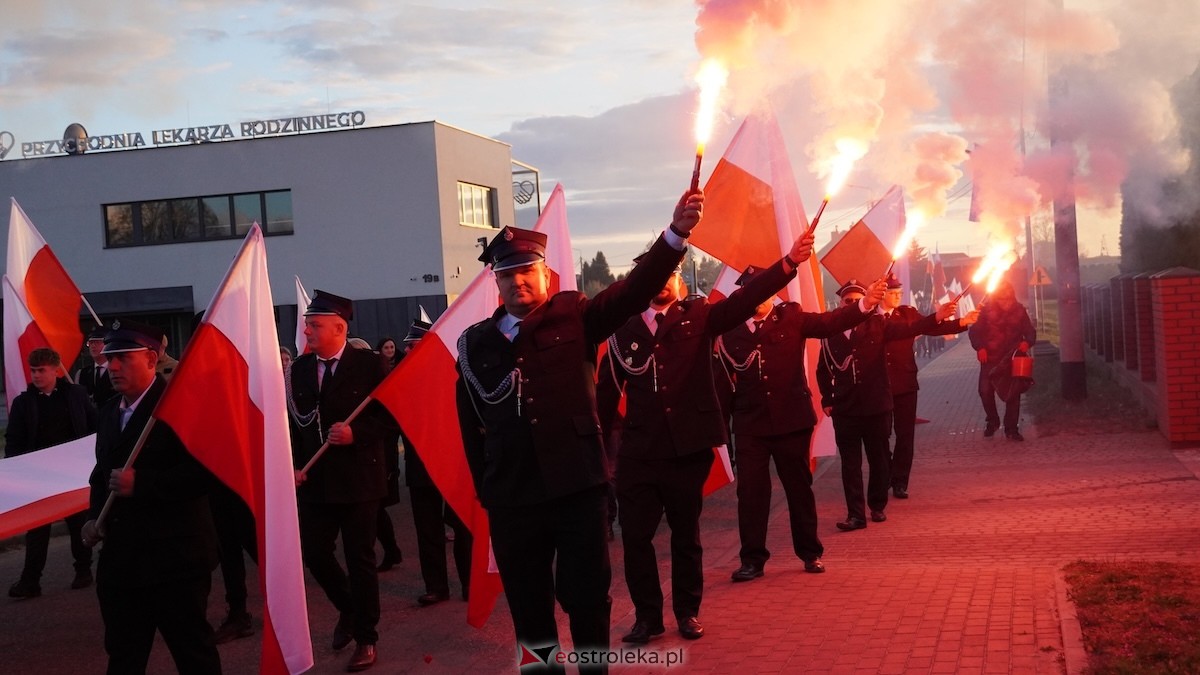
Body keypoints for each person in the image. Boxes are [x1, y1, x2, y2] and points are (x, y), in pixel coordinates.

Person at [456, 190, 702, 672]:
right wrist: (488, 489)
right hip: (513, 498)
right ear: (497, 282)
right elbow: (470, 426)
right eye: (507, 275)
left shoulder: (577, 315)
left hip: (577, 490)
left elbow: (633, 289)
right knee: (529, 613)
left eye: (527, 272)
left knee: (589, 602)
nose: (517, 281)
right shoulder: (476, 343)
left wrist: (675, 236)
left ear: (545, 275)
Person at [597, 229, 818, 644]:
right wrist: (602, 458)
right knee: (637, 539)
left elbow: (744, 301)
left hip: (686, 449)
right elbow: (606, 399)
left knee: (686, 536)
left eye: (668, 273)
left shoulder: (700, 316)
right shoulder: (621, 330)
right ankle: (647, 617)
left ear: (680, 279)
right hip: (639, 453)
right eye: (652, 273)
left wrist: (788, 263)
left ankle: (687, 611)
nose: (661, 281)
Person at [716, 265, 879, 583]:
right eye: (751, 291)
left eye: (763, 292)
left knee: (798, 489)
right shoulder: (730, 329)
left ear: (773, 294)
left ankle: (810, 552)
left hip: (791, 421)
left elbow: (830, 322)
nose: (757, 298)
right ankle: (752, 560)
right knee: (751, 494)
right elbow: (722, 383)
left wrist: (864, 305)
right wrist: (722, 428)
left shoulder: (790, 316)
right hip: (750, 424)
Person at [80, 319, 222, 675]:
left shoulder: (180, 406)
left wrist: (142, 484)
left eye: (123, 357)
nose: (112, 366)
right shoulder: (111, 411)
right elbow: (102, 474)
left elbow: (205, 475)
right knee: (124, 655)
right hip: (123, 560)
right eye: (110, 357)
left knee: (192, 652)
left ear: (150, 358)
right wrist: (93, 517)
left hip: (174, 558)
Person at [289, 290, 393, 672]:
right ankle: (348, 608)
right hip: (316, 479)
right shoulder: (299, 369)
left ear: (339, 327)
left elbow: (390, 418)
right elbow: (296, 424)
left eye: (314, 325)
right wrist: (296, 465)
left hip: (360, 480)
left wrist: (356, 434)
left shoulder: (368, 365)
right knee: (314, 552)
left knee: (359, 557)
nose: (307, 331)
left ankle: (366, 637)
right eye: (306, 324)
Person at [817, 281, 956, 531]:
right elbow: (823, 369)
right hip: (845, 408)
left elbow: (911, 327)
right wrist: (827, 400)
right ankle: (855, 514)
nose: (851, 305)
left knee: (879, 458)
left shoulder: (878, 325)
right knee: (850, 464)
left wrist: (936, 316)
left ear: (866, 302)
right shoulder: (830, 333)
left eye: (856, 300)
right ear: (840, 305)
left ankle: (877, 504)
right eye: (847, 301)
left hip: (876, 405)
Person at [6, 348, 98, 598]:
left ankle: (83, 570)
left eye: (41, 370)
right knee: (37, 530)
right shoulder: (24, 403)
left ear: (56, 370)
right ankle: (31, 580)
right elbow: (14, 439)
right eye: (33, 371)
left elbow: (94, 427)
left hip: (72, 474)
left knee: (78, 523)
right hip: (40, 477)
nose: (36, 375)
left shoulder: (76, 395)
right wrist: (16, 470)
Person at [881, 273, 977, 499]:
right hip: (880, 386)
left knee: (905, 435)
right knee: (880, 436)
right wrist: (936, 316)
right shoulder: (869, 317)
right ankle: (885, 475)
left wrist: (963, 322)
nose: (897, 296)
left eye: (899, 293)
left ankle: (900, 481)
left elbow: (931, 328)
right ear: (881, 293)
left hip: (904, 383)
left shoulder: (907, 313)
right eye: (892, 293)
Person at [401, 320, 471, 605]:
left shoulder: (453, 376)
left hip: (453, 464)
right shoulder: (402, 380)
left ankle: (469, 584)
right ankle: (436, 586)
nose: (407, 351)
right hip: (420, 466)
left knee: (463, 527)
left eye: (413, 346)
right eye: (406, 346)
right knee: (427, 530)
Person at [968, 280, 1037, 441]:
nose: (1005, 303)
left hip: (1012, 358)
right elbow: (974, 332)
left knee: (1013, 393)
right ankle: (992, 421)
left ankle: (1011, 429)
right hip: (990, 358)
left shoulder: (1019, 311)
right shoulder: (986, 311)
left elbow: (1030, 332)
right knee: (985, 391)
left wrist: (1026, 343)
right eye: (1002, 299)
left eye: (1008, 299)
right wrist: (980, 348)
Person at [76, 327, 117, 407]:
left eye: (97, 342)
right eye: (90, 343)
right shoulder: (82, 374)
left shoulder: (116, 370)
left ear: (107, 344)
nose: (93, 346)